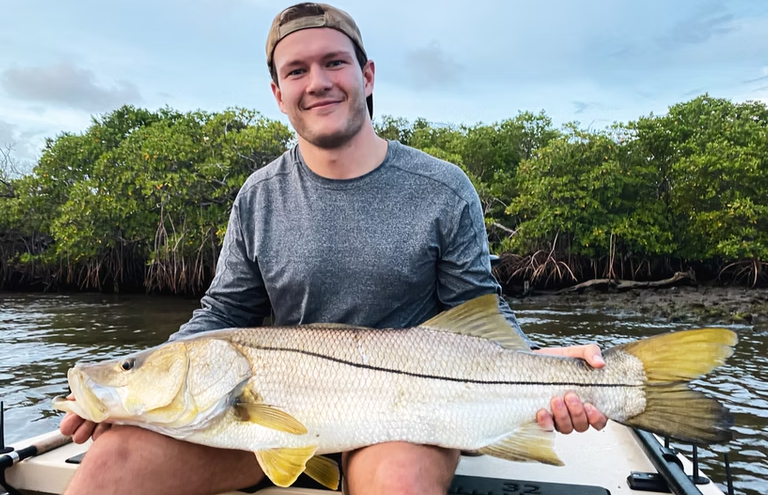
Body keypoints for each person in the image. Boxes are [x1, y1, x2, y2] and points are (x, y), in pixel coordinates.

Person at [59, 3, 608, 494]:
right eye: (296, 70)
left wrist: (534, 364)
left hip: (404, 418)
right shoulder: (258, 196)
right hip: (267, 419)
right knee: (112, 461)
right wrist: (126, 394)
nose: (317, 81)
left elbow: (479, 306)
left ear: (367, 76)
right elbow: (223, 313)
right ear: (278, 94)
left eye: (334, 63)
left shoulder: (443, 187)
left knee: (399, 482)